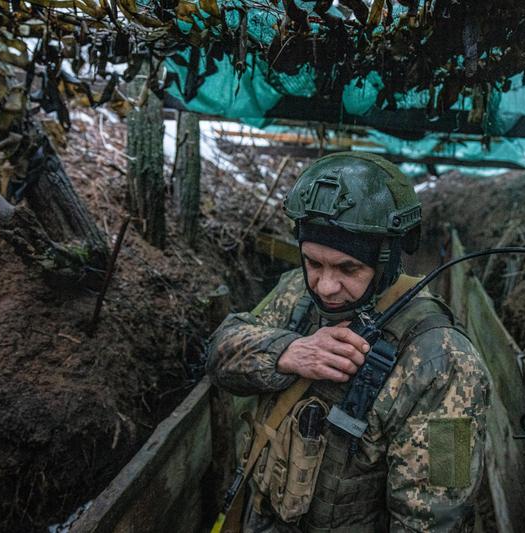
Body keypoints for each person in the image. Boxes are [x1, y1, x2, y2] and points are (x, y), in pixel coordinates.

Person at [206, 152, 490, 532]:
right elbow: (220, 352)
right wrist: (285, 352)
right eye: (313, 262)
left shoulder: (448, 364)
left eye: (348, 268)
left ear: (387, 260)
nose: (325, 286)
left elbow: (439, 515)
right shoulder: (297, 293)